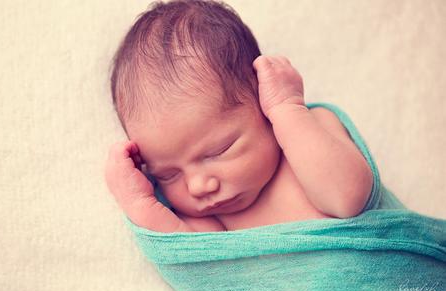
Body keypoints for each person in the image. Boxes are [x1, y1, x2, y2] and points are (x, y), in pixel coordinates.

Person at [104, 0, 373, 232]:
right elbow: (194, 260)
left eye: (218, 151)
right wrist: (139, 203)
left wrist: (287, 108)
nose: (198, 186)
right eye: (168, 175)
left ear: (262, 101)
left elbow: (346, 198)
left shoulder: (308, 126)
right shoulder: (216, 217)